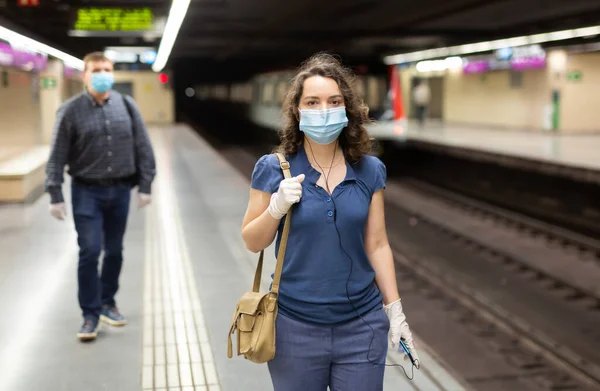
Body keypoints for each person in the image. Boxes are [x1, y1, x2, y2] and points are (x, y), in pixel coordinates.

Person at [241, 53, 419, 391]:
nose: (324, 110)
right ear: (297, 110)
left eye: (333, 101)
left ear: (346, 108)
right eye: (313, 101)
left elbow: (377, 243)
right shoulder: (273, 168)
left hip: (362, 327)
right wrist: (275, 208)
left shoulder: (370, 170)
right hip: (294, 328)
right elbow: (252, 241)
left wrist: (394, 310)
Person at [44, 51, 156, 341]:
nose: (103, 74)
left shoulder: (127, 105)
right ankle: (90, 314)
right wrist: (54, 193)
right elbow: (56, 155)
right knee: (90, 250)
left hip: (120, 190)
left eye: (107, 69)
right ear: (85, 75)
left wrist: (145, 185)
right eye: (96, 70)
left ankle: (108, 302)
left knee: (115, 251)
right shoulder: (69, 111)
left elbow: (143, 147)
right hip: (86, 191)